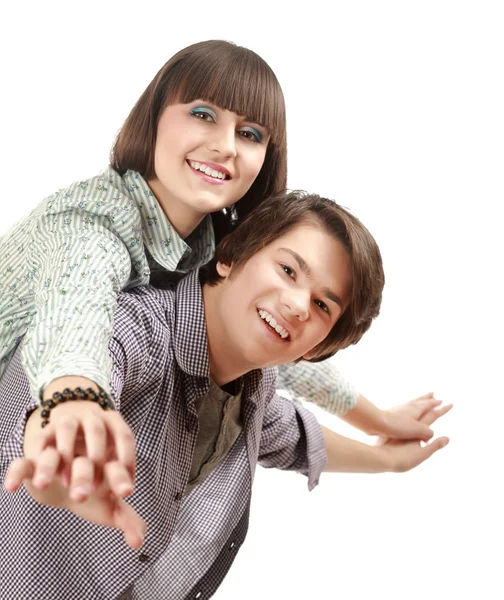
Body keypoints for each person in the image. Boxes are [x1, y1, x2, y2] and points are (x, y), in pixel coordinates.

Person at [1, 191, 451, 599]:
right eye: (288, 270)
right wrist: (63, 440)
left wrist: (389, 458)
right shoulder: (134, 329)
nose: (298, 305)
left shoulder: (252, 389)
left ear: (317, 346)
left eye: (322, 305)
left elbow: (295, 435)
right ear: (231, 256)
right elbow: (80, 372)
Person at [0, 39, 432, 454]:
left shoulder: (210, 241)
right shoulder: (90, 227)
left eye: (249, 133)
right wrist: (78, 405)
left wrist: (382, 423)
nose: (225, 147)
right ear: (154, 116)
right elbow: (74, 319)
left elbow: (277, 341)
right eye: (203, 114)